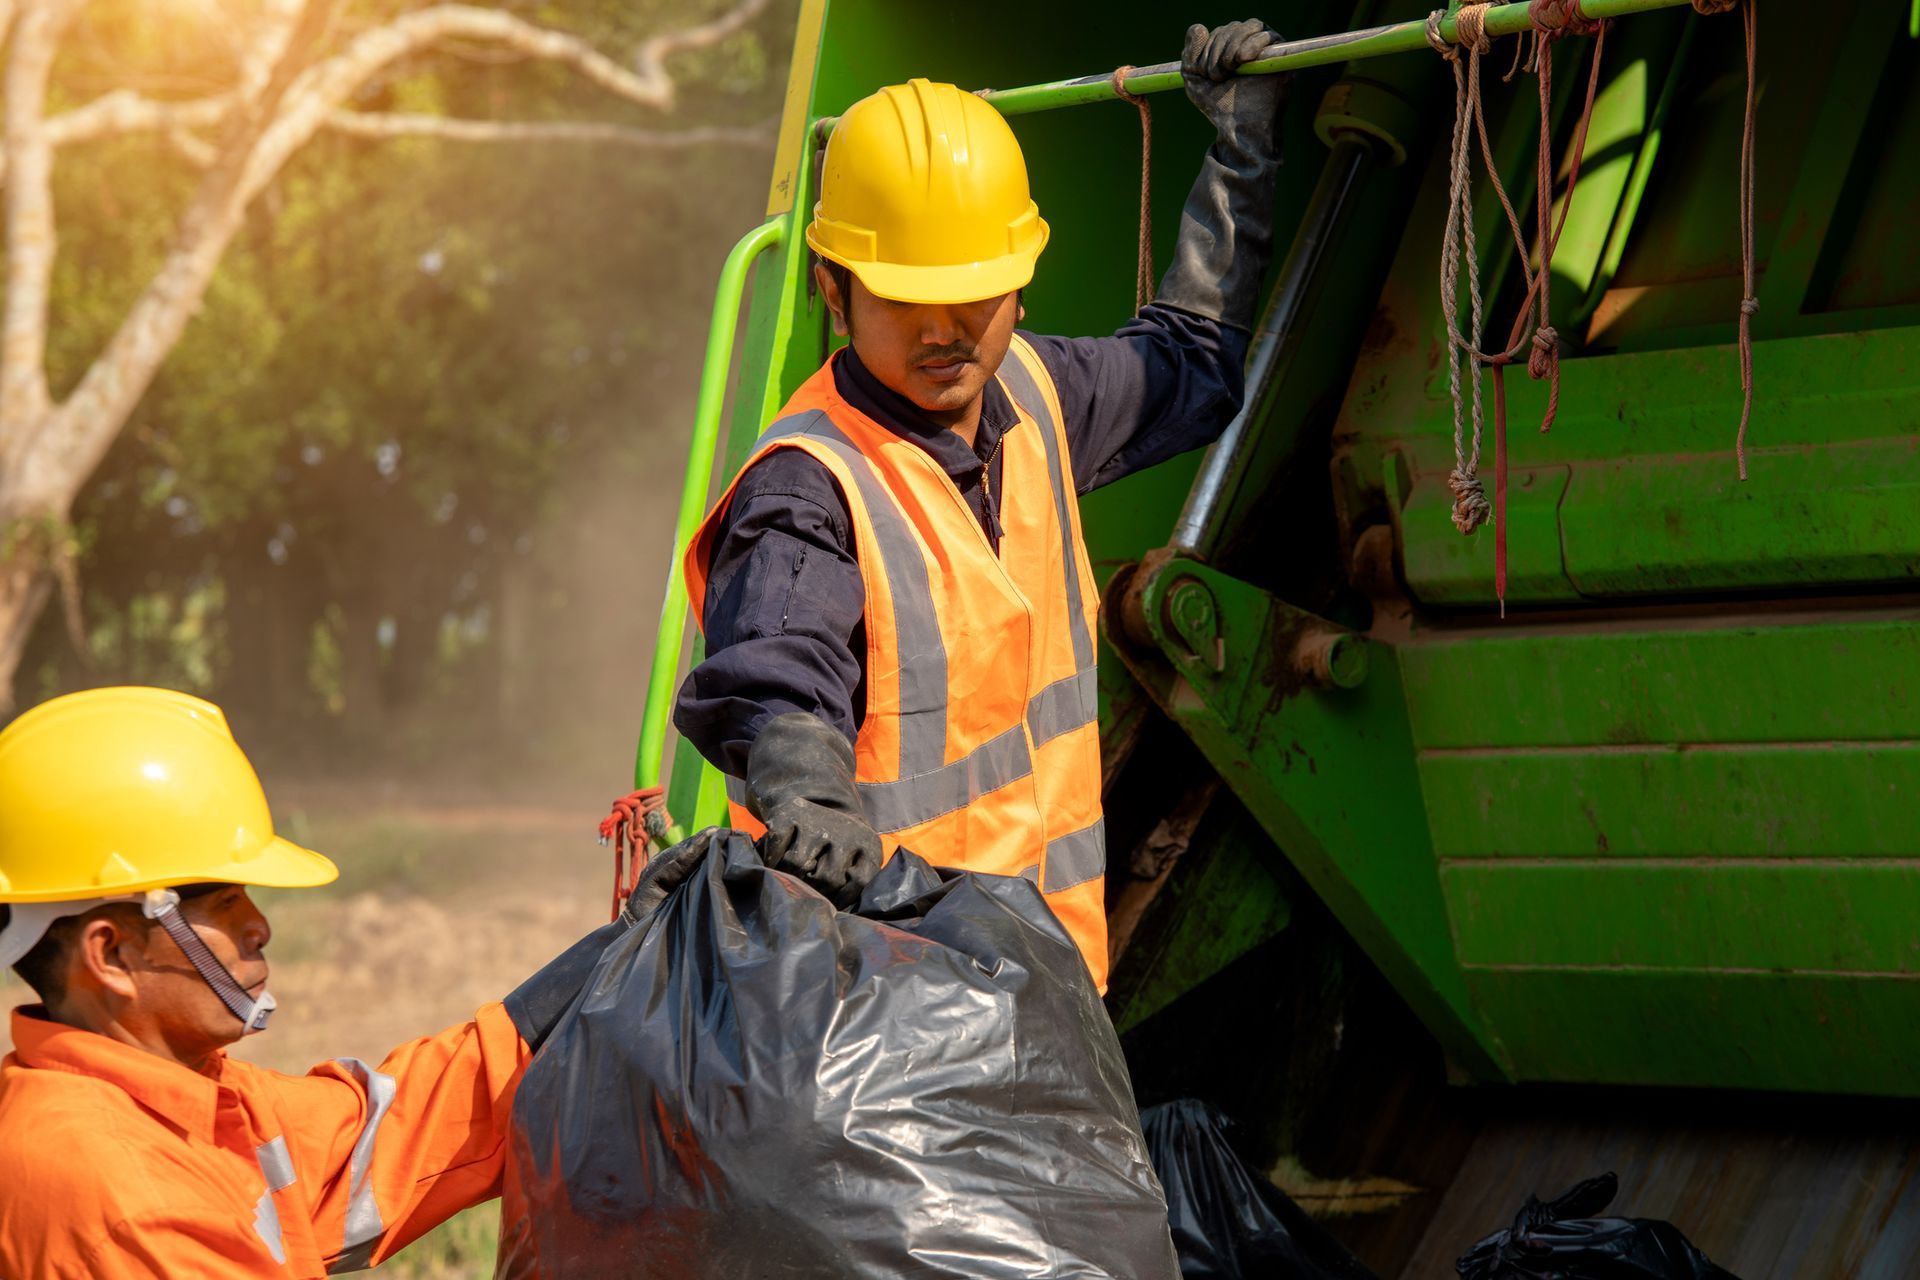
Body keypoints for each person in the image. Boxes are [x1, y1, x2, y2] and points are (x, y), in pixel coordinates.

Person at [674, 21, 1288, 990]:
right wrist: (808, 788)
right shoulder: (810, 484)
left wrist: (1241, 155)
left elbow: (1192, 365)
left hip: (1048, 992)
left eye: (973, 293)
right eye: (908, 297)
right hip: (885, 1011)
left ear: (1019, 286)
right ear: (836, 292)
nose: (946, 330)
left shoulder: (1039, 395)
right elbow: (775, 676)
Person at [0, 685, 692, 1278]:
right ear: (110, 956)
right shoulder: (109, 1190)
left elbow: (374, 1142)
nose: (260, 925)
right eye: (223, 903)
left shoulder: (192, 1099)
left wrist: (578, 987)